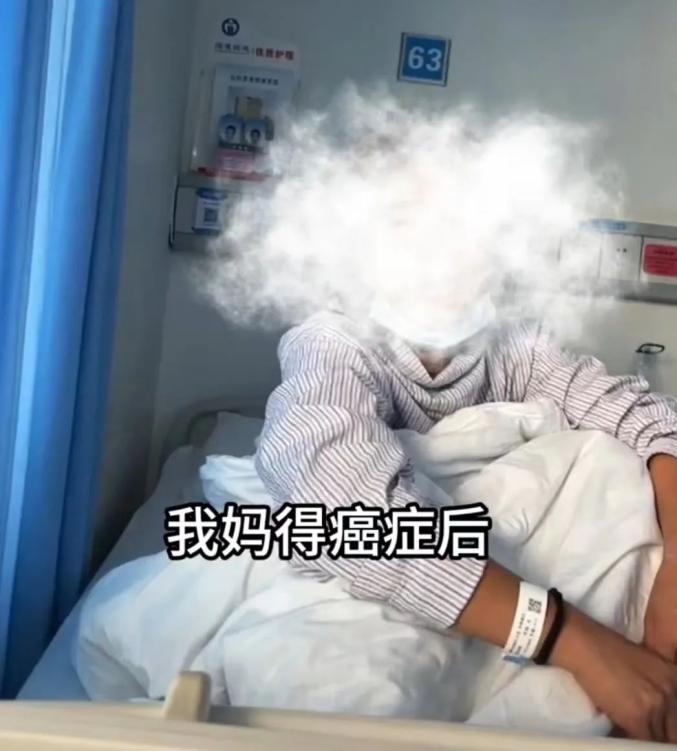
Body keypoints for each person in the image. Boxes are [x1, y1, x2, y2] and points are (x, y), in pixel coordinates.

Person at [255, 293, 677, 742]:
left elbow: (647, 419)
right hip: (427, 592)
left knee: (612, 465)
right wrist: (570, 639)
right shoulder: (334, 341)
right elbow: (345, 508)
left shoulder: (514, 341)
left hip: (526, 551)